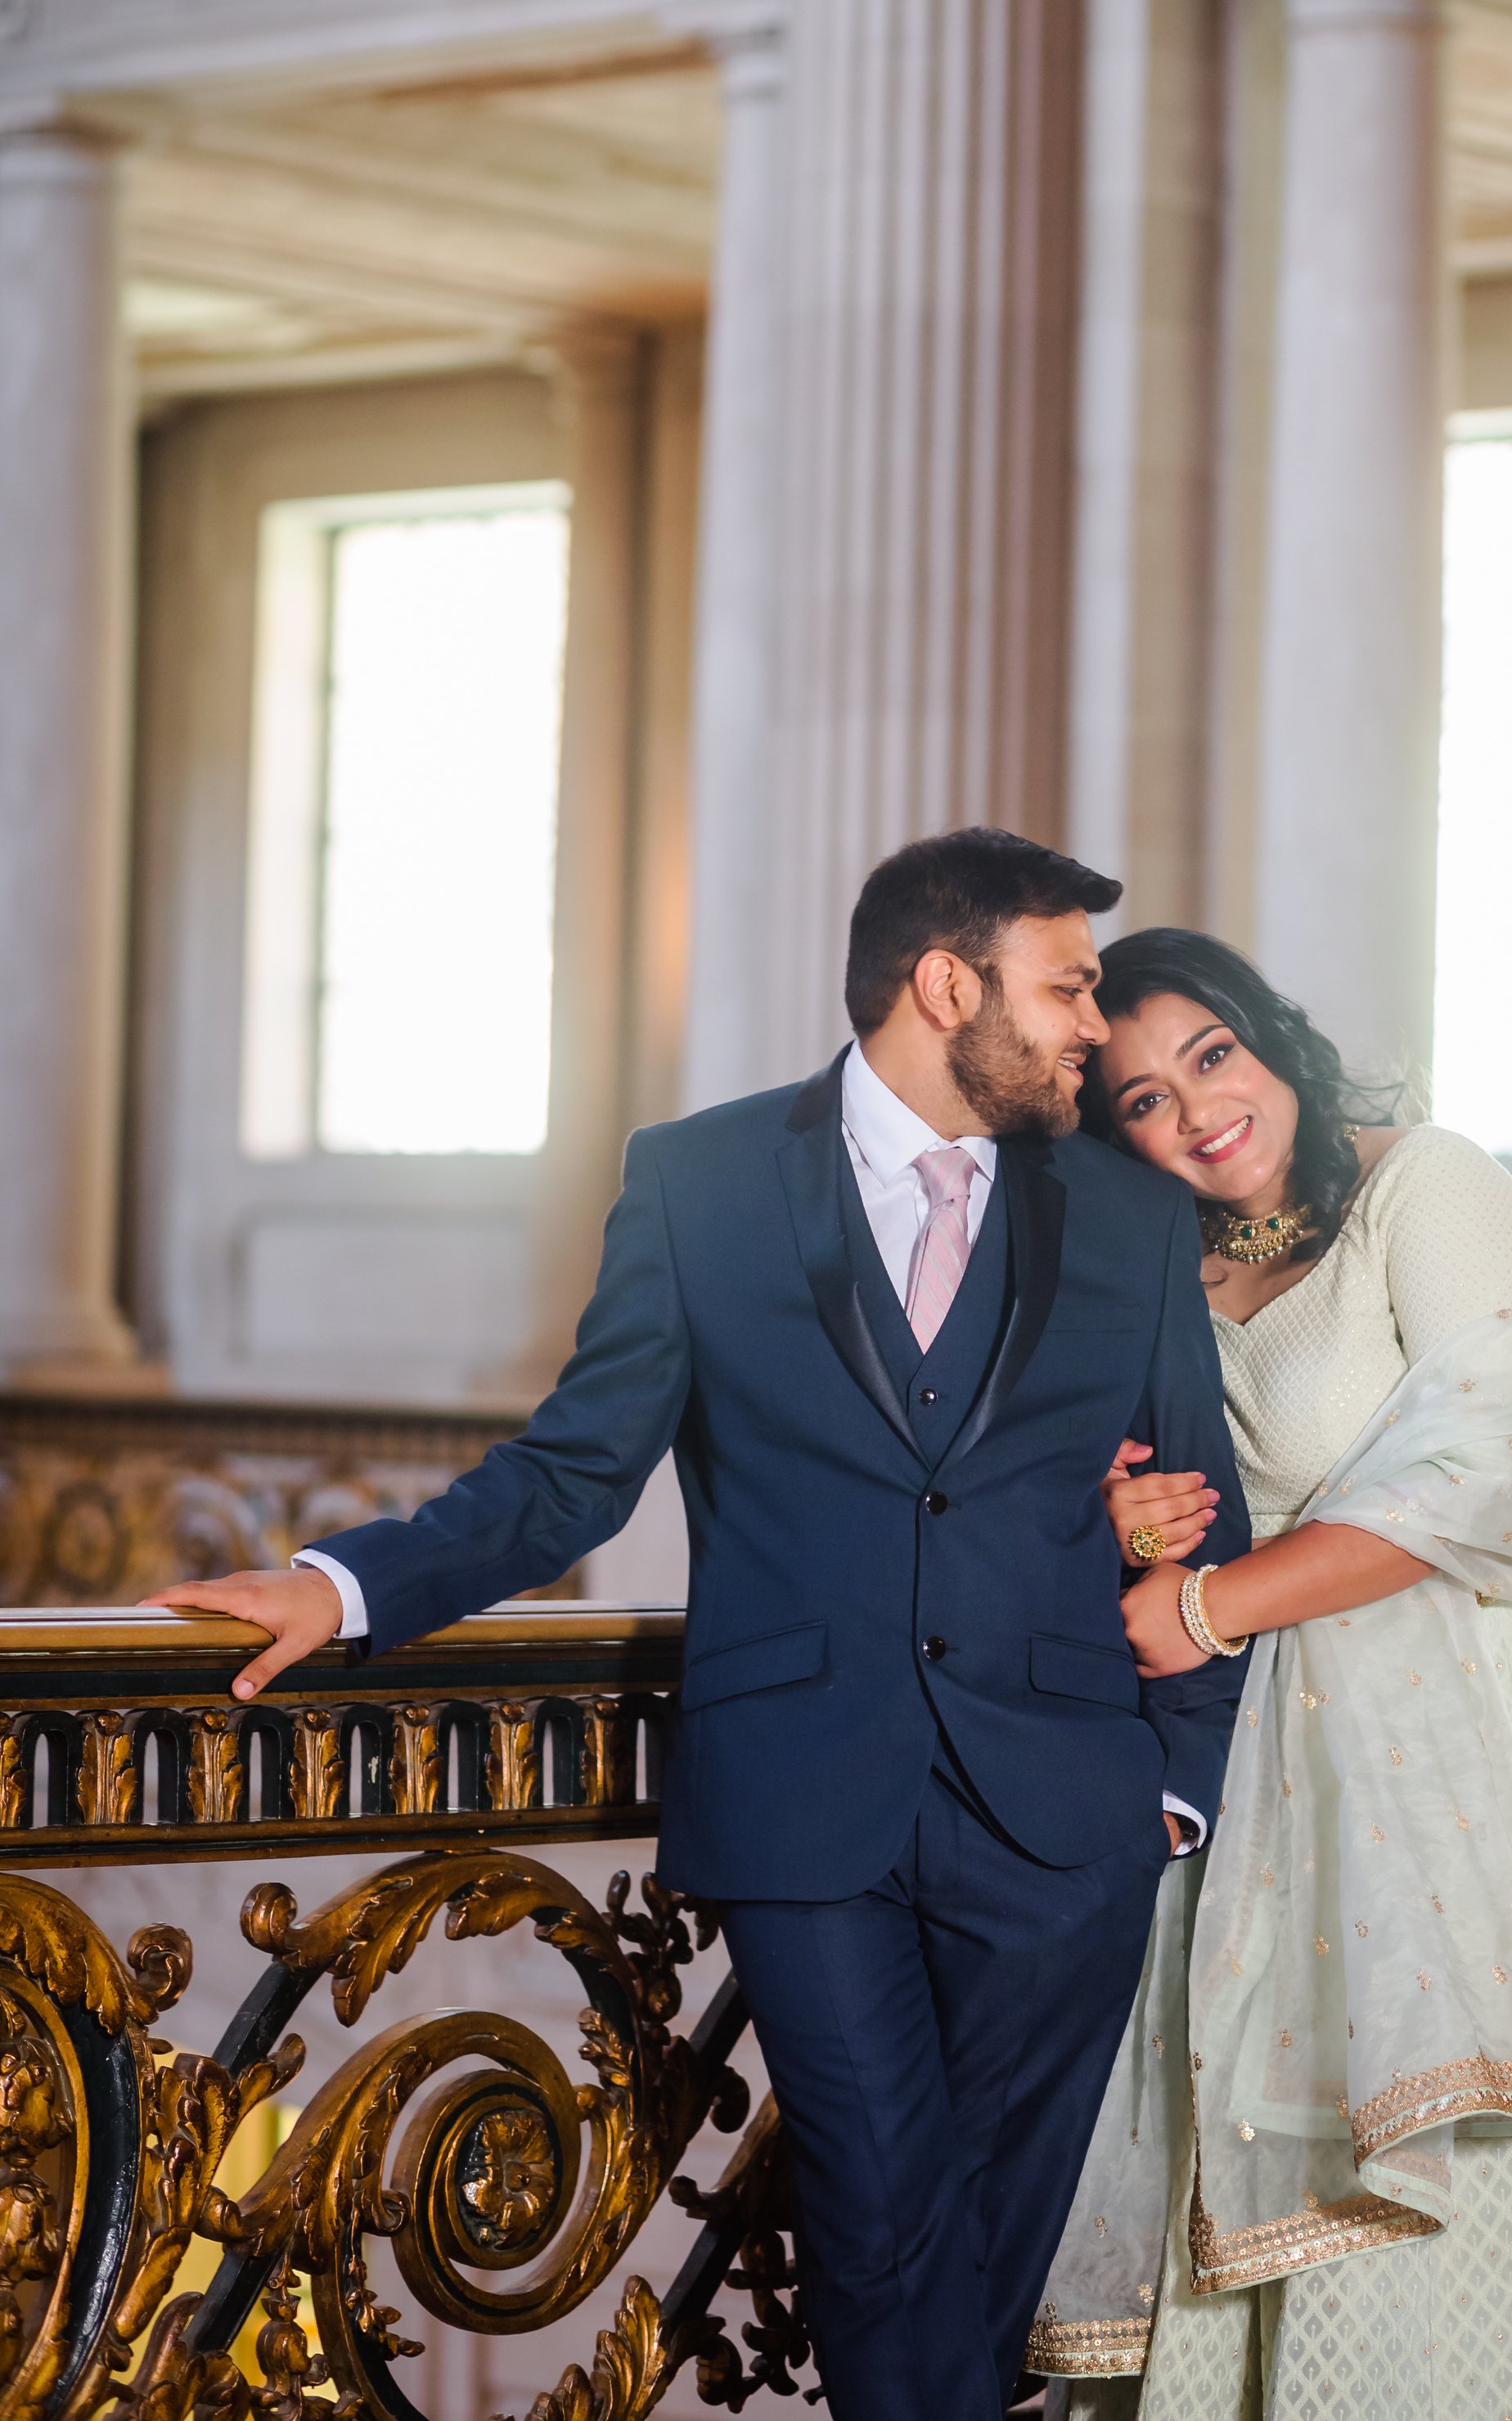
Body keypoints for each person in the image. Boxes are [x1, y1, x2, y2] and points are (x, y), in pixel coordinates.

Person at [146, 831, 1254, 2421]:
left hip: (1071, 1818)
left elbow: (1198, 1507)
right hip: (804, 1799)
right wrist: (343, 1583)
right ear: (947, 985)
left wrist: (1174, 1790)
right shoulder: (703, 1179)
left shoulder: (1128, 1219)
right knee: (875, 2226)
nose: (1094, 1023)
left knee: (982, 2258)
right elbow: (575, 1470)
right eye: (1067, 985)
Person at [1028, 928, 1512, 2421]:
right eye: (1140, 1097)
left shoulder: (1426, 1184)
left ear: (1270, 1037)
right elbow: (1109, 1473)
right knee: (1259, 2121)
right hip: (1267, 1749)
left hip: (1475, 1724)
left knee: (1450, 2135)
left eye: (1211, 1053)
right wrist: (1123, 1509)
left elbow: (1484, 1470)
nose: (1197, 1110)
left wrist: (1207, 1599)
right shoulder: (1161, 1267)